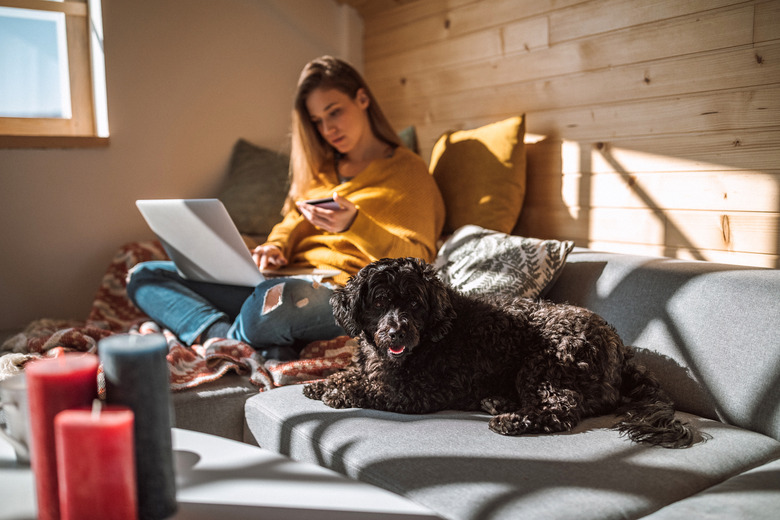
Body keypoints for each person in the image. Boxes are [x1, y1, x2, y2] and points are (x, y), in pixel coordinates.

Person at [126, 56, 445, 360]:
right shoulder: (320, 168)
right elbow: (292, 219)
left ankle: (254, 337)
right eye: (318, 121)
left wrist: (354, 225)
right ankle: (226, 334)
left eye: (334, 112)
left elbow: (417, 261)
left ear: (362, 99)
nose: (328, 129)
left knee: (275, 303)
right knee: (145, 275)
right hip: (281, 279)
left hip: (339, 290)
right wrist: (275, 246)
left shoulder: (408, 172)